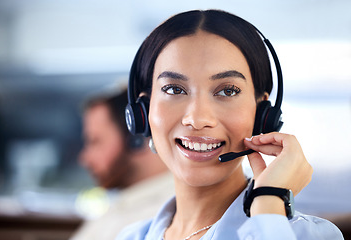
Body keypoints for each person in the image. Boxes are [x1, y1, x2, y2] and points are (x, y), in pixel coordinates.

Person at [116, 9, 344, 240]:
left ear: (262, 114)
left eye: (228, 91)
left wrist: (268, 203)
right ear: (142, 110)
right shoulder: (130, 236)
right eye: (174, 89)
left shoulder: (310, 235)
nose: (197, 119)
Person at [70, 88, 173, 240]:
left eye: (94, 142)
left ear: (136, 140)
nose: (84, 158)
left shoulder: (158, 218)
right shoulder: (128, 204)